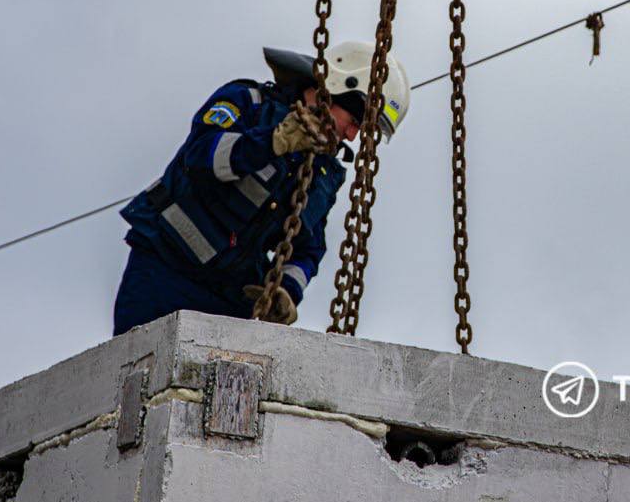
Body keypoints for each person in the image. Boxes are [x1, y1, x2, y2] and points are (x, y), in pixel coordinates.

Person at [112, 41, 410, 337]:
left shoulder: (322, 170)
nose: (353, 135)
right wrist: (272, 142)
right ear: (334, 87)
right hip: (164, 271)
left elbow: (309, 247)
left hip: (228, 303)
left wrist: (286, 290)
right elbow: (202, 158)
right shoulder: (247, 103)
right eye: (355, 121)